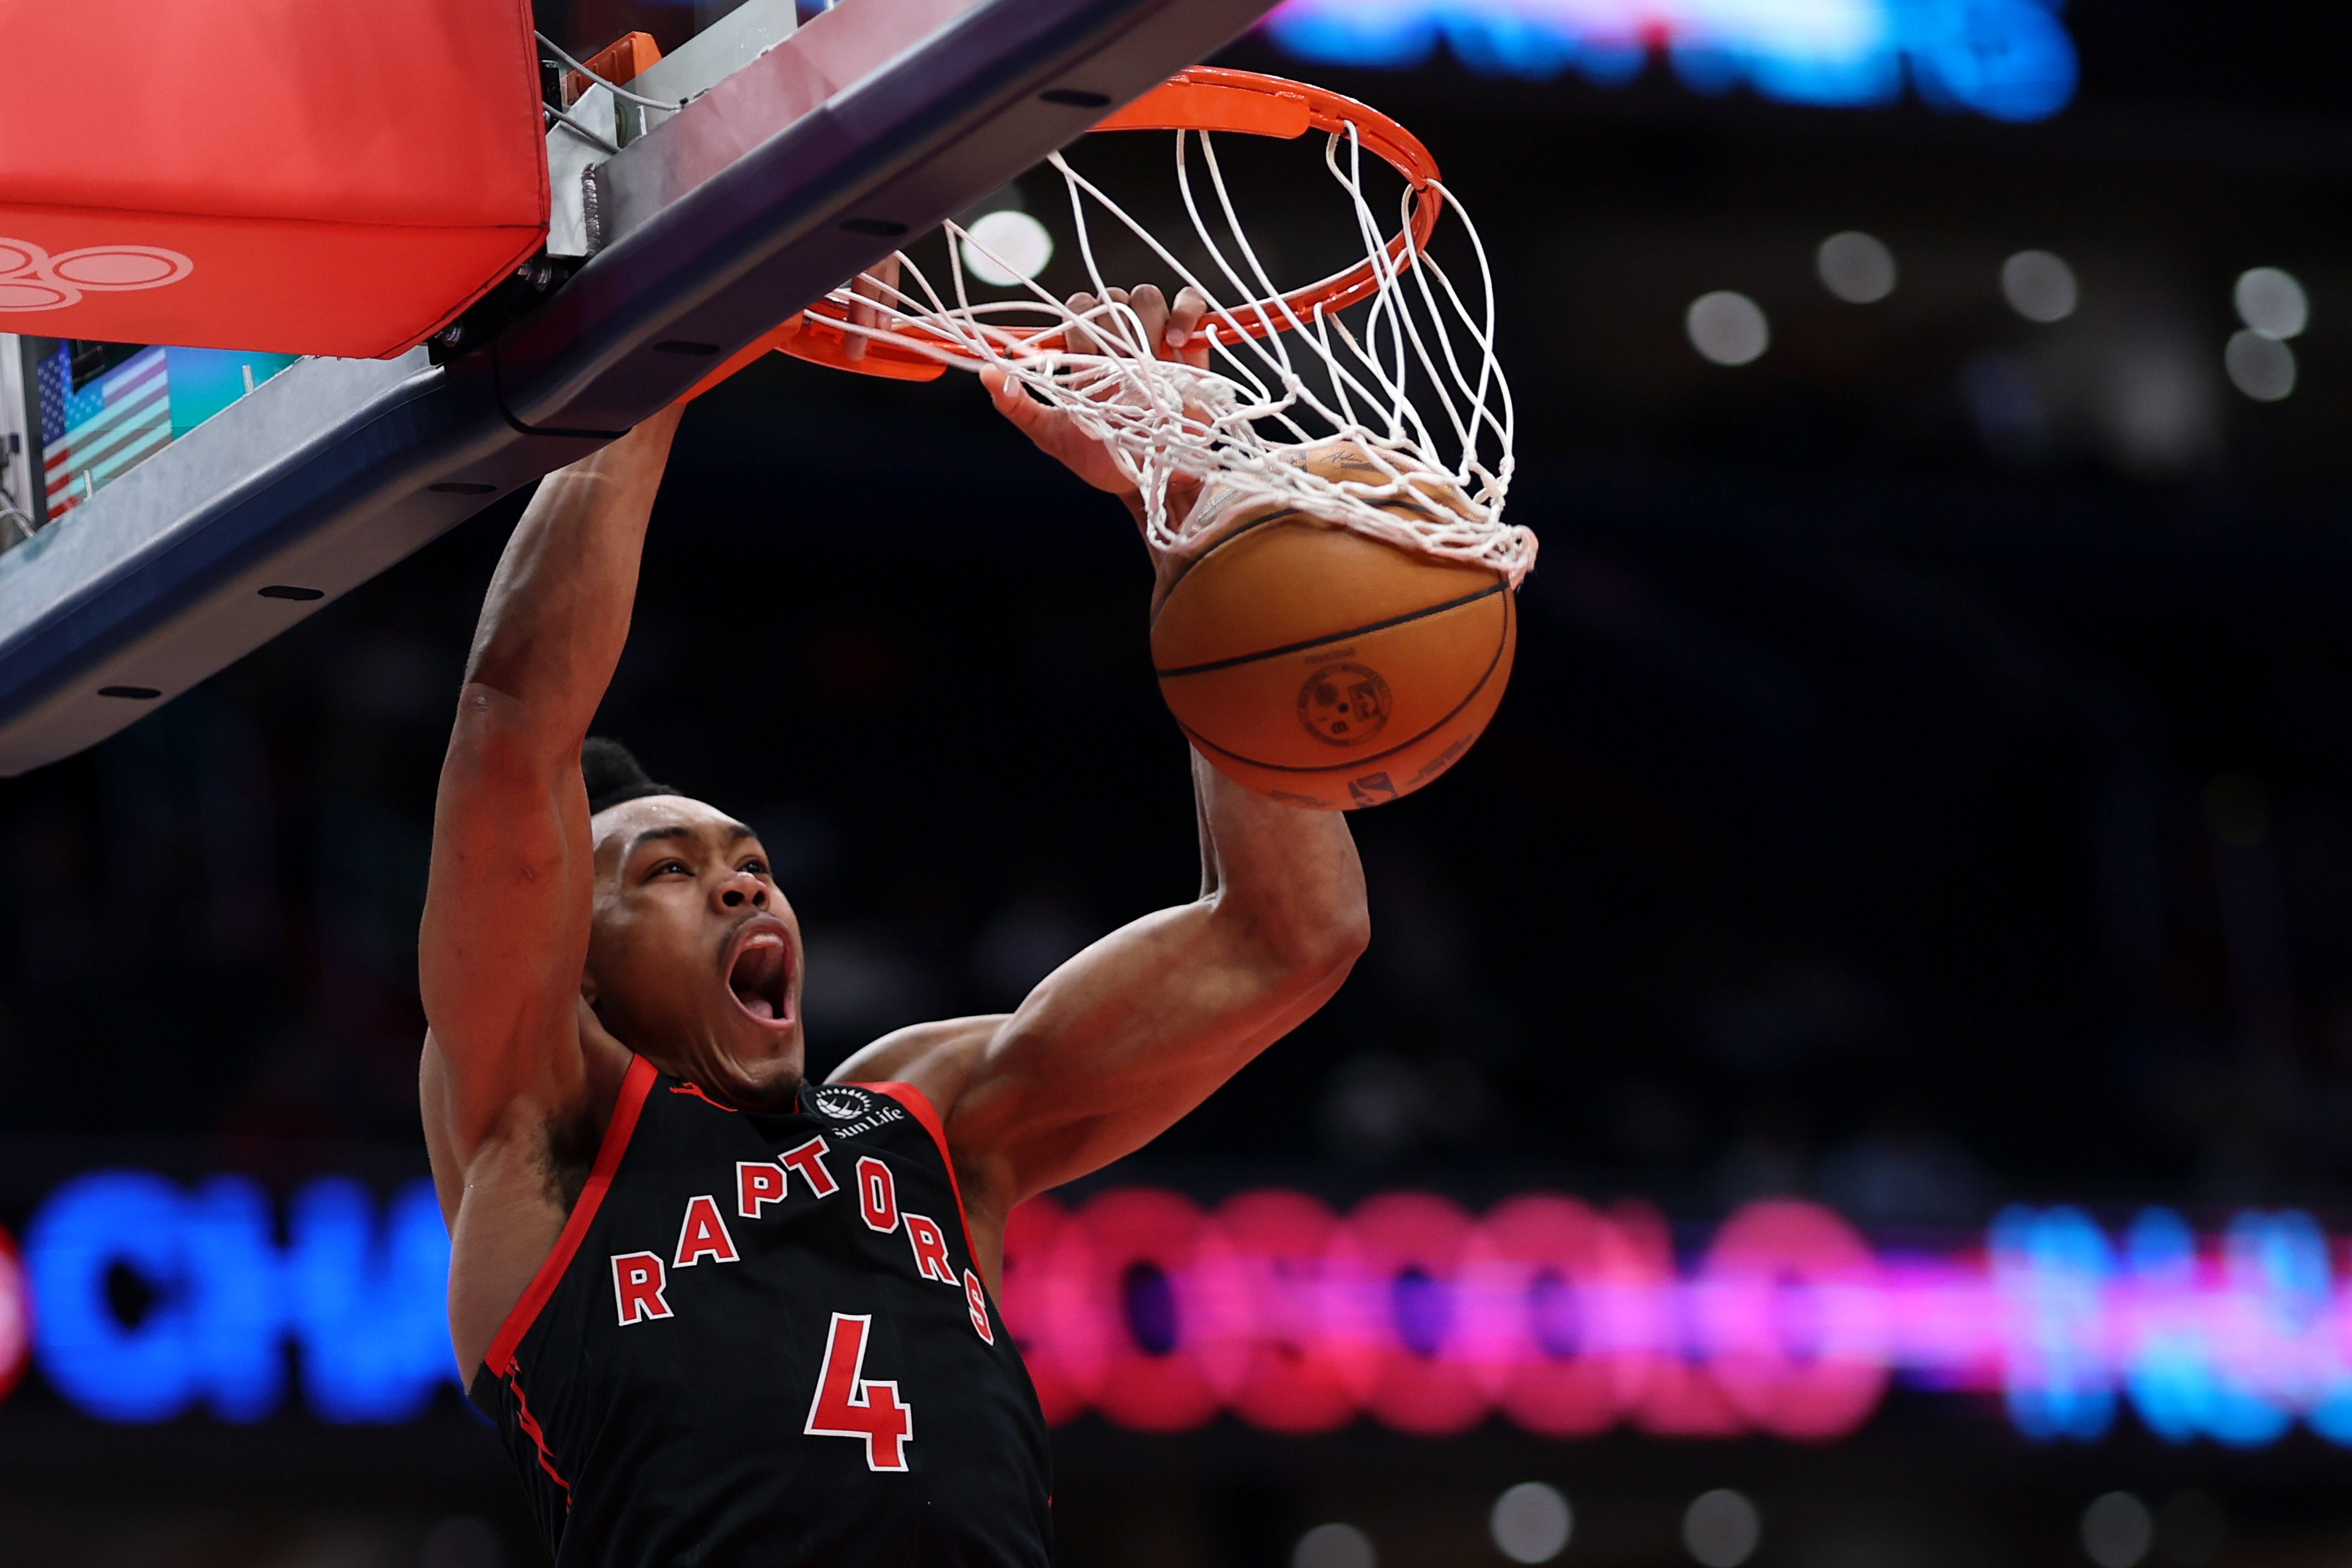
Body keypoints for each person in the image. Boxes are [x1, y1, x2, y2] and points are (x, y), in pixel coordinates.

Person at [417, 282, 1370, 1566]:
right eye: (668, 873)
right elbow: (514, 718)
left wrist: (1186, 513)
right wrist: (674, 322)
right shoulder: (544, 1131)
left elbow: (1289, 937)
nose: (742, 885)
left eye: (750, 861)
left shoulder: (929, 1121)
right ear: (569, 970)